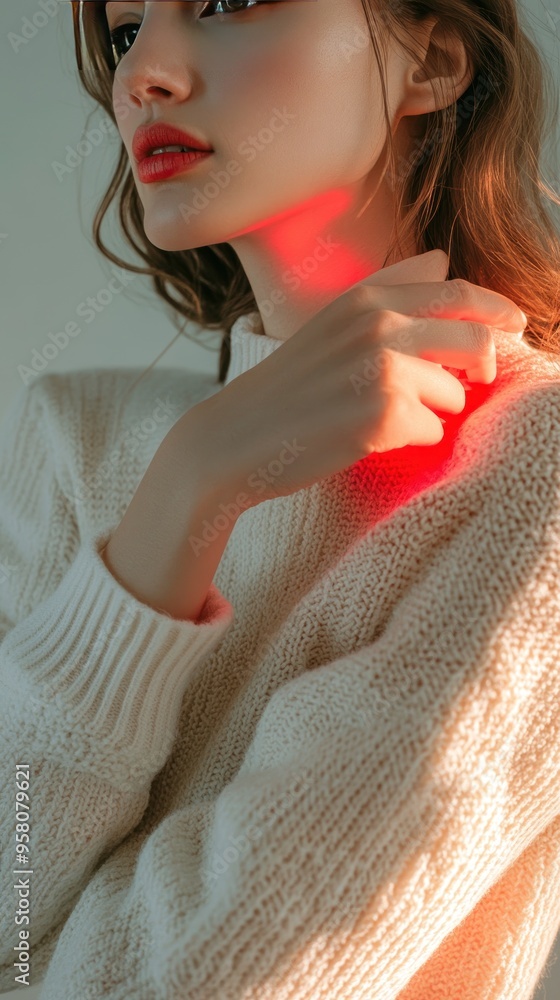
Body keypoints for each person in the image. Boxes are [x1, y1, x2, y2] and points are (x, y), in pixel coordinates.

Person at [1, 1, 560, 997]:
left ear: (430, 58)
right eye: (125, 31)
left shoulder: (534, 463)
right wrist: (191, 484)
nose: (144, 76)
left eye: (226, 2)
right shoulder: (70, 435)